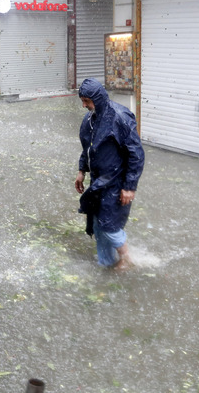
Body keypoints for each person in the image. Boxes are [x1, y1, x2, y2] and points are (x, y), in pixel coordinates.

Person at [74, 78, 145, 270]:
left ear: (98, 98)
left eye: (87, 101)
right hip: (97, 181)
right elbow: (87, 148)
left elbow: (136, 154)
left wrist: (129, 187)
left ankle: (127, 259)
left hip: (116, 181)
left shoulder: (120, 117)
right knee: (98, 224)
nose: (84, 105)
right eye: (82, 101)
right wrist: (82, 171)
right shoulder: (90, 119)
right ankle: (106, 263)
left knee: (110, 225)